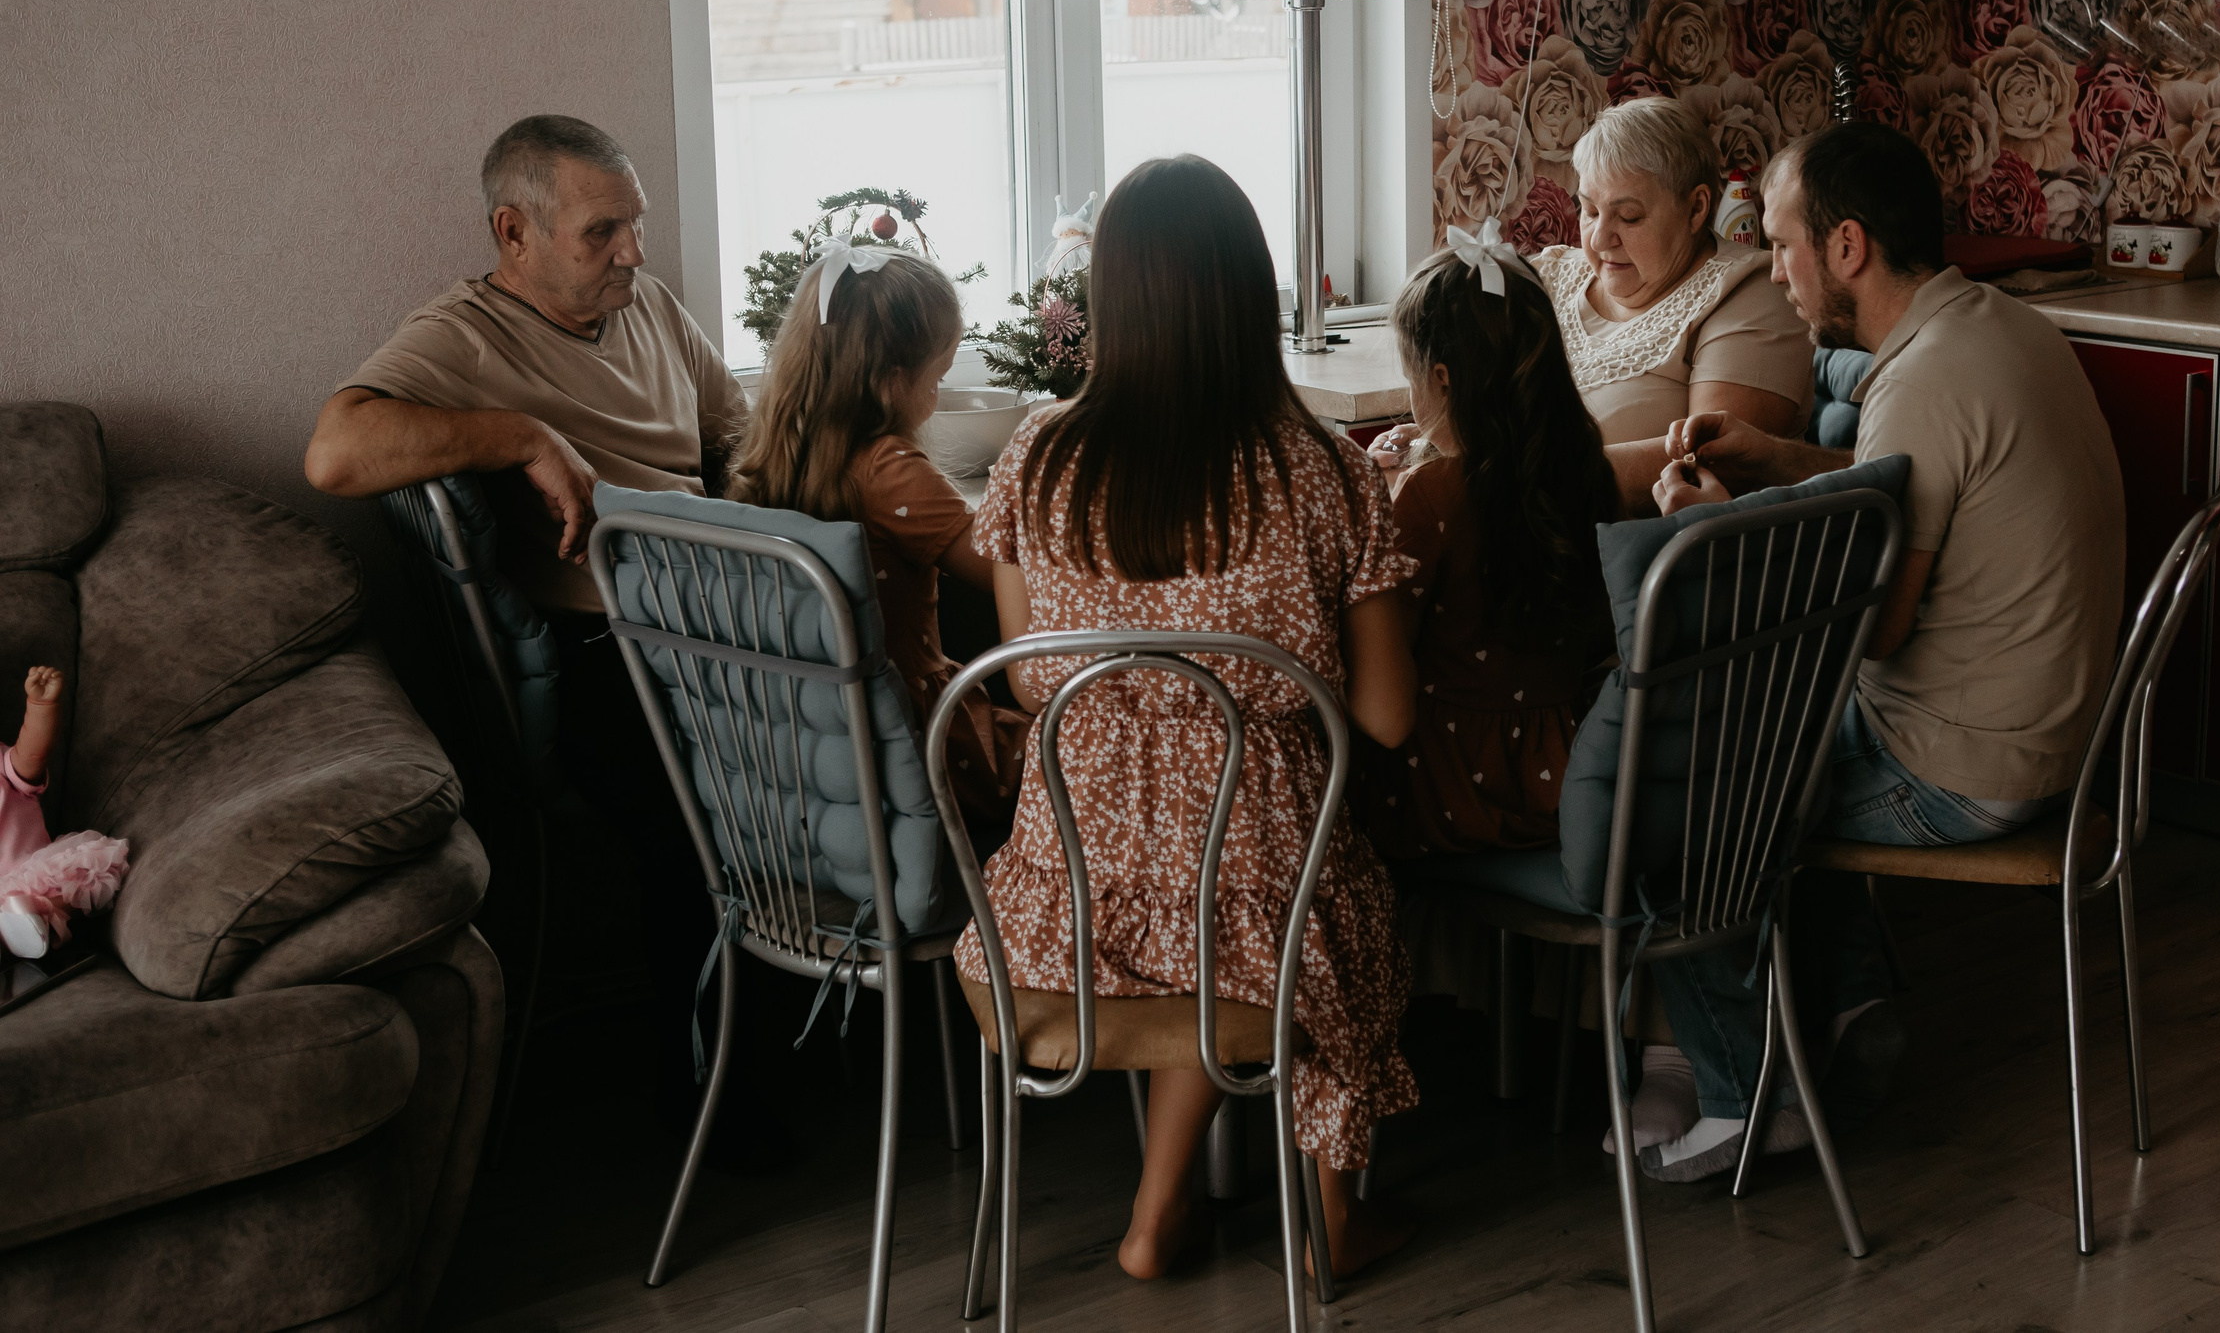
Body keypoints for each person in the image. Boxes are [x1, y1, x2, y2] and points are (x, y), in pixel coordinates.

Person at [1627, 120, 2127, 1181]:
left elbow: (1873, 628)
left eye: (1780, 242)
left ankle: (1745, 1097)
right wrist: (1783, 462)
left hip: (1964, 767)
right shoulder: (1987, 328)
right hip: (2065, 740)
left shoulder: (1922, 380)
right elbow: (1907, 474)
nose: (1773, 268)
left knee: (1681, 802)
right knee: (1775, 738)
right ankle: (1848, 1014)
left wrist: (1709, 527)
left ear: (1845, 245)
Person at [957, 155, 1420, 1281]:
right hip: (1261, 911)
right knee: (1307, 905)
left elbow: (1026, 680)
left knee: (1204, 917)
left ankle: (1158, 1217)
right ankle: (1332, 1221)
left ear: (1109, 299)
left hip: (1055, 917)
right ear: (1244, 293)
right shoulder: (1326, 473)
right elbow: (1388, 719)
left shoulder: (1037, 456)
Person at [303, 114, 762, 1155]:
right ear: (514, 232)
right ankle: (706, 1097)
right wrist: (520, 433)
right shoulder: (463, 338)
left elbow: (734, 436)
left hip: (729, 618)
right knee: (704, 825)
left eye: (632, 227)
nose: (634, 255)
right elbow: (334, 453)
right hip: (612, 652)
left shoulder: (642, 303)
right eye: (602, 233)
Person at [1379, 97, 1814, 514]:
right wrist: (1439, 439)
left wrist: (1485, 473)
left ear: (1697, 208)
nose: (1600, 238)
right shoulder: (1548, 275)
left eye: (1629, 217)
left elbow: (1711, 466)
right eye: (1588, 210)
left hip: (1638, 561)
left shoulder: (1748, 290)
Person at [724, 244, 1024, 833]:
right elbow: (1002, 572)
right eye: (937, 376)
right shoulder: (889, 469)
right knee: (1091, 749)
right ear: (891, 384)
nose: (937, 395)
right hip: (923, 746)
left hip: (825, 749)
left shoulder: (773, 459)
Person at [1360, 229, 1617, 858]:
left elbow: (1392, 647)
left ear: (1442, 379)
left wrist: (1381, 496)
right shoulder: (1584, 468)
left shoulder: (1433, 495)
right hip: (1562, 774)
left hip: (1450, 789)